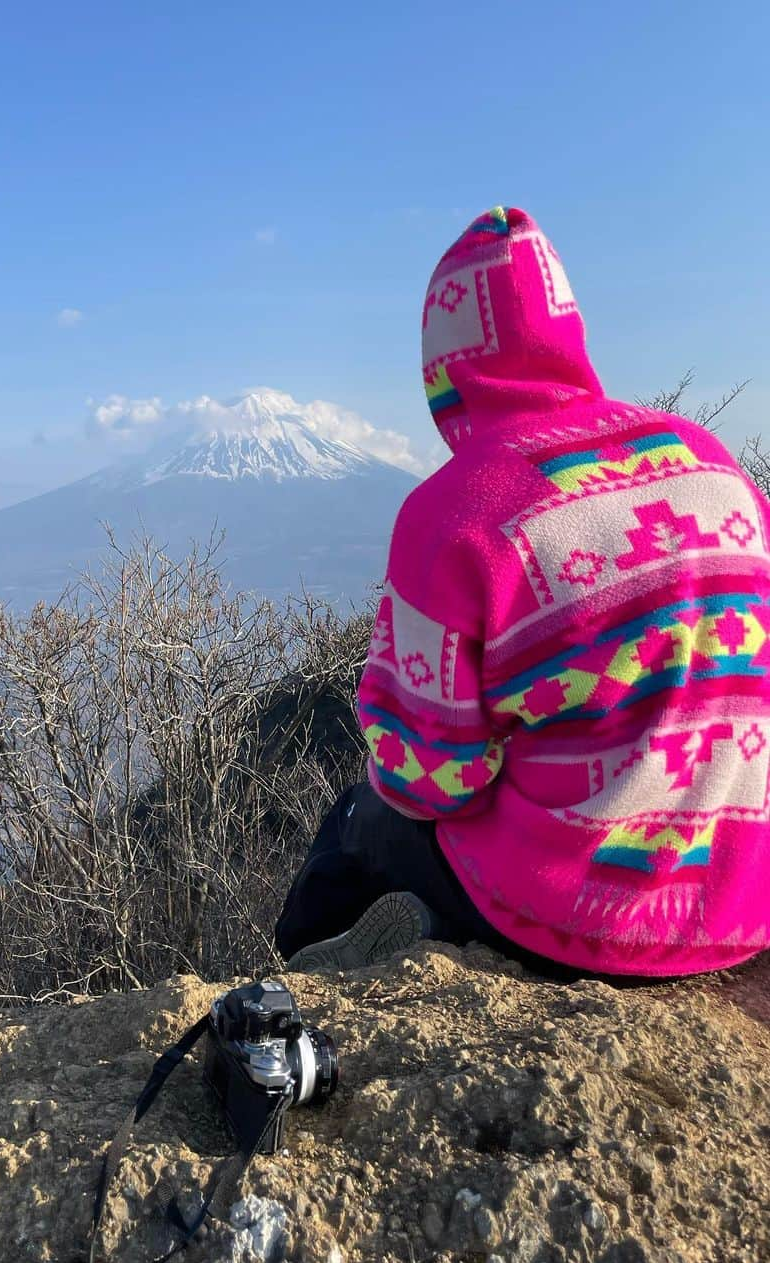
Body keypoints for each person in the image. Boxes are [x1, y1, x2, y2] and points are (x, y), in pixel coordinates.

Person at [279, 205, 770, 979]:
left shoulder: (455, 510)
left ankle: (310, 995)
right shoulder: (712, 463)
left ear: (444, 372)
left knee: (356, 822)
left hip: (579, 918)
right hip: (745, 901)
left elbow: (429, 780)